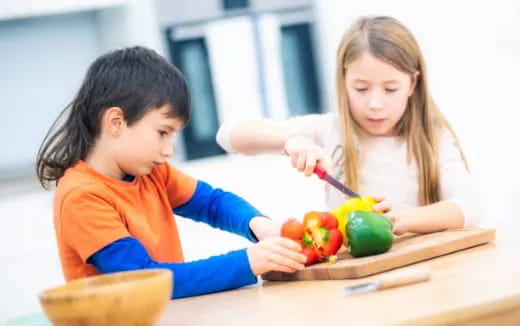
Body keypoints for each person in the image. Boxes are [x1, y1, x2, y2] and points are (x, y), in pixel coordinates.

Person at [36, 46, 306, 299]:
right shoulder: (81, 197)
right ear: (116, 122)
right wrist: (248, 262)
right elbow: (145, 279)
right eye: (162, 133)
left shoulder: (151, 172)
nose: (169, 150)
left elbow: (211, 203)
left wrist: (259, 225)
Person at [216, 16, 481, 235]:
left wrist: (399, 221)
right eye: (361, 88)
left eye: (390, 89)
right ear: (343, 81)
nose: (375, 103)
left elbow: (470, 207)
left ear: (413, 84)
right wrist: (290, 141)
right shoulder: (329, 130)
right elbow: (228, 135)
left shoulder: (433, 137)